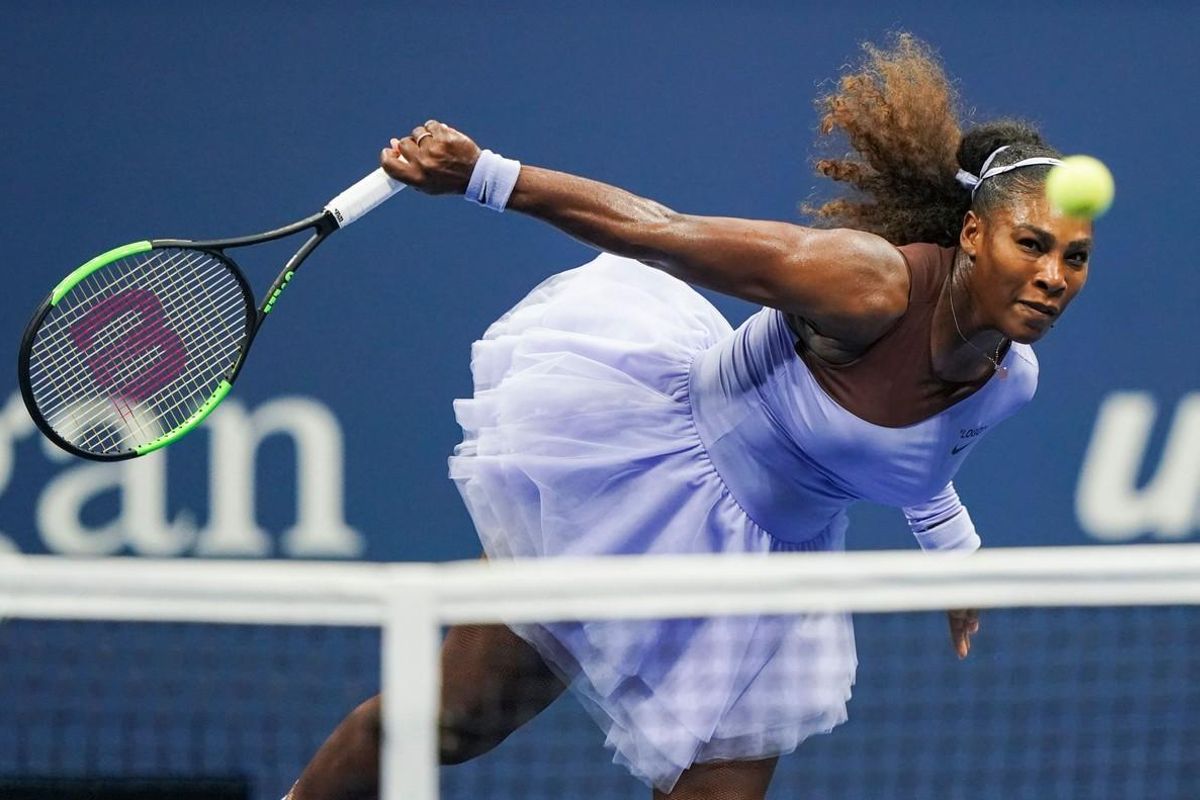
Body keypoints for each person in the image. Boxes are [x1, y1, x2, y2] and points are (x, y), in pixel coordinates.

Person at [287, 34, 1093, 800]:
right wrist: (483, 174)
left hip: (766, 581)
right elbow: (661, 232)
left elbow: (921, 457)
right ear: (974, 235)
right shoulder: (866, 287)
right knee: (442, 725)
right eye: (1032, 244)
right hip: (643, 494)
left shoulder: (1010, 376)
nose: (1054, 275)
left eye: (1075, 257)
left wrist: (954, 555)